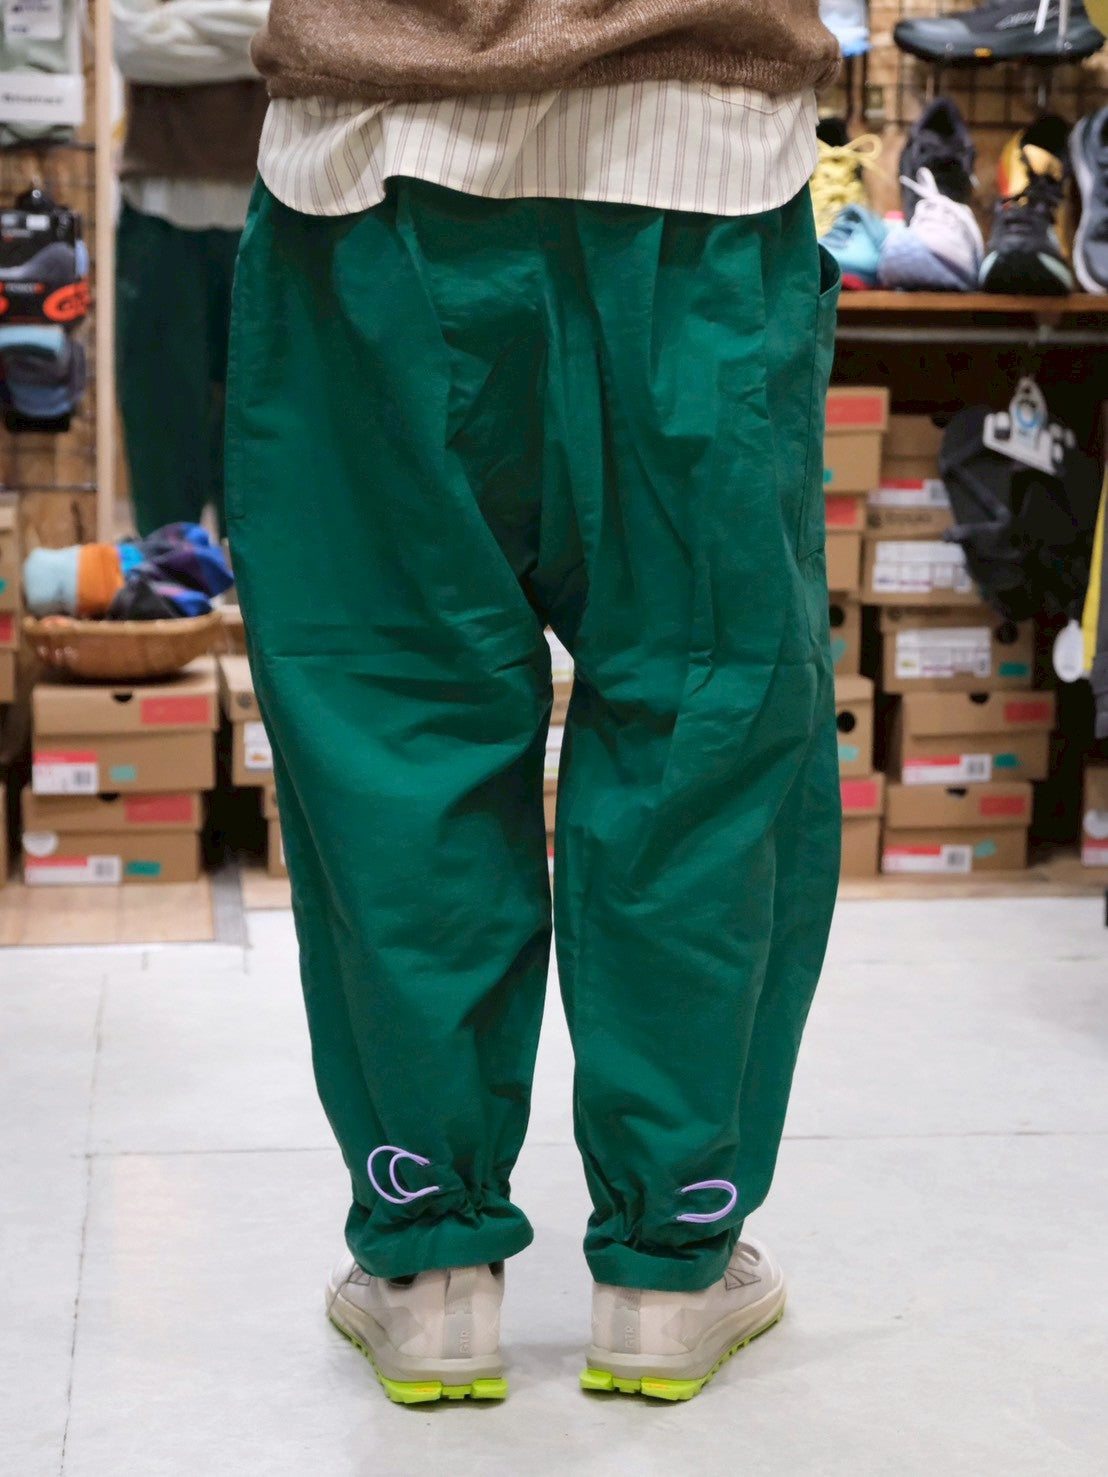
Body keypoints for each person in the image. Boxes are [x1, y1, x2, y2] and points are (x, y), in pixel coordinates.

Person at [227, 0, 842, 1405]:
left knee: (391, 724)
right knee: (703, 726)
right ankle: (666, 1268)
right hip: (694, 158)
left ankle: (431, 1266)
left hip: (368, 173)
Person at [113, 0, 270, 536]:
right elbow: (133, 45)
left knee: (260, 425)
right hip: (157, 212)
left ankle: (252, 581)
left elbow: (290, 35)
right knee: (158, 420)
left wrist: (183, 16)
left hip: (265, 209)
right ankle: (166, 574)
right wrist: (249, 40)